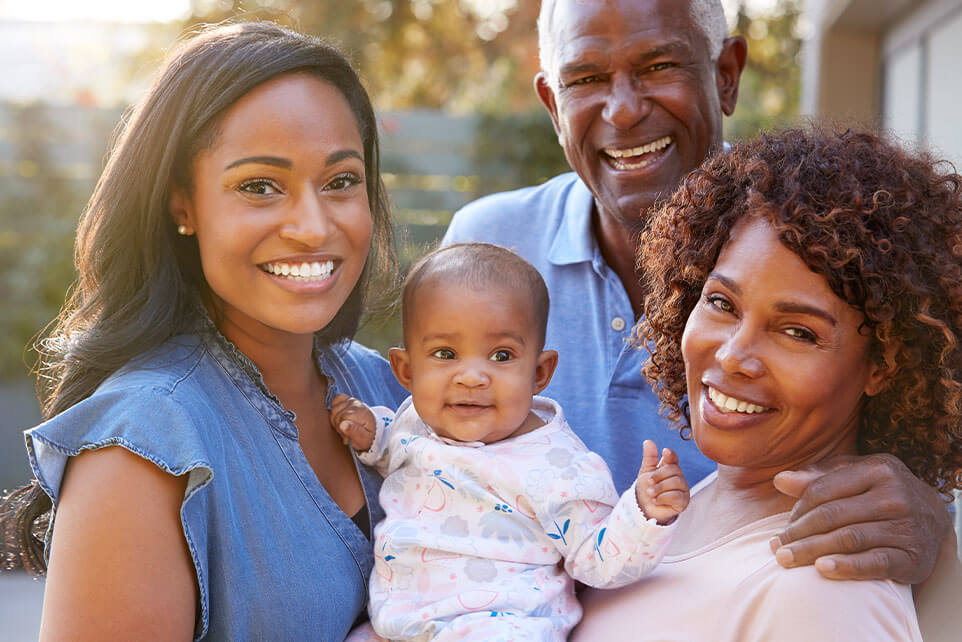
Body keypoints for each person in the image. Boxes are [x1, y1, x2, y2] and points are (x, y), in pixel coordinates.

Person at [442, 0, 954, 591]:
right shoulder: (489, 247)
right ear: (553, 106)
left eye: (660, 66)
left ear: (727, 75)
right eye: (586, 79)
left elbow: (922, 435)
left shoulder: (834, 242)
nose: (625, 109)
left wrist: (937, 513)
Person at [0, 22, 408, 640]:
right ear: (182, 205)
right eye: (259, 186)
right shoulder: (138, 450)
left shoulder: (382, 385)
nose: (312, 224)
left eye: (340, 181)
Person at [571, 126, 962, 641]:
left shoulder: (823, 590)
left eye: (797, 332)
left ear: (884, 365)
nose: (734, 356)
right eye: (720, 303)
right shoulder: (689, 505)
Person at [330, 243, 689, 641]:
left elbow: (596, 559)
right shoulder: (414, 421)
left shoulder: (559, 466)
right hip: (396, 623)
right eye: (445, 353)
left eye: (501, 356)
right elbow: (393, 450)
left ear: (539, 372)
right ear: (406, 370)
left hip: (501, 624)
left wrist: (643, 512)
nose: (471, 377)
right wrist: (371, 433)